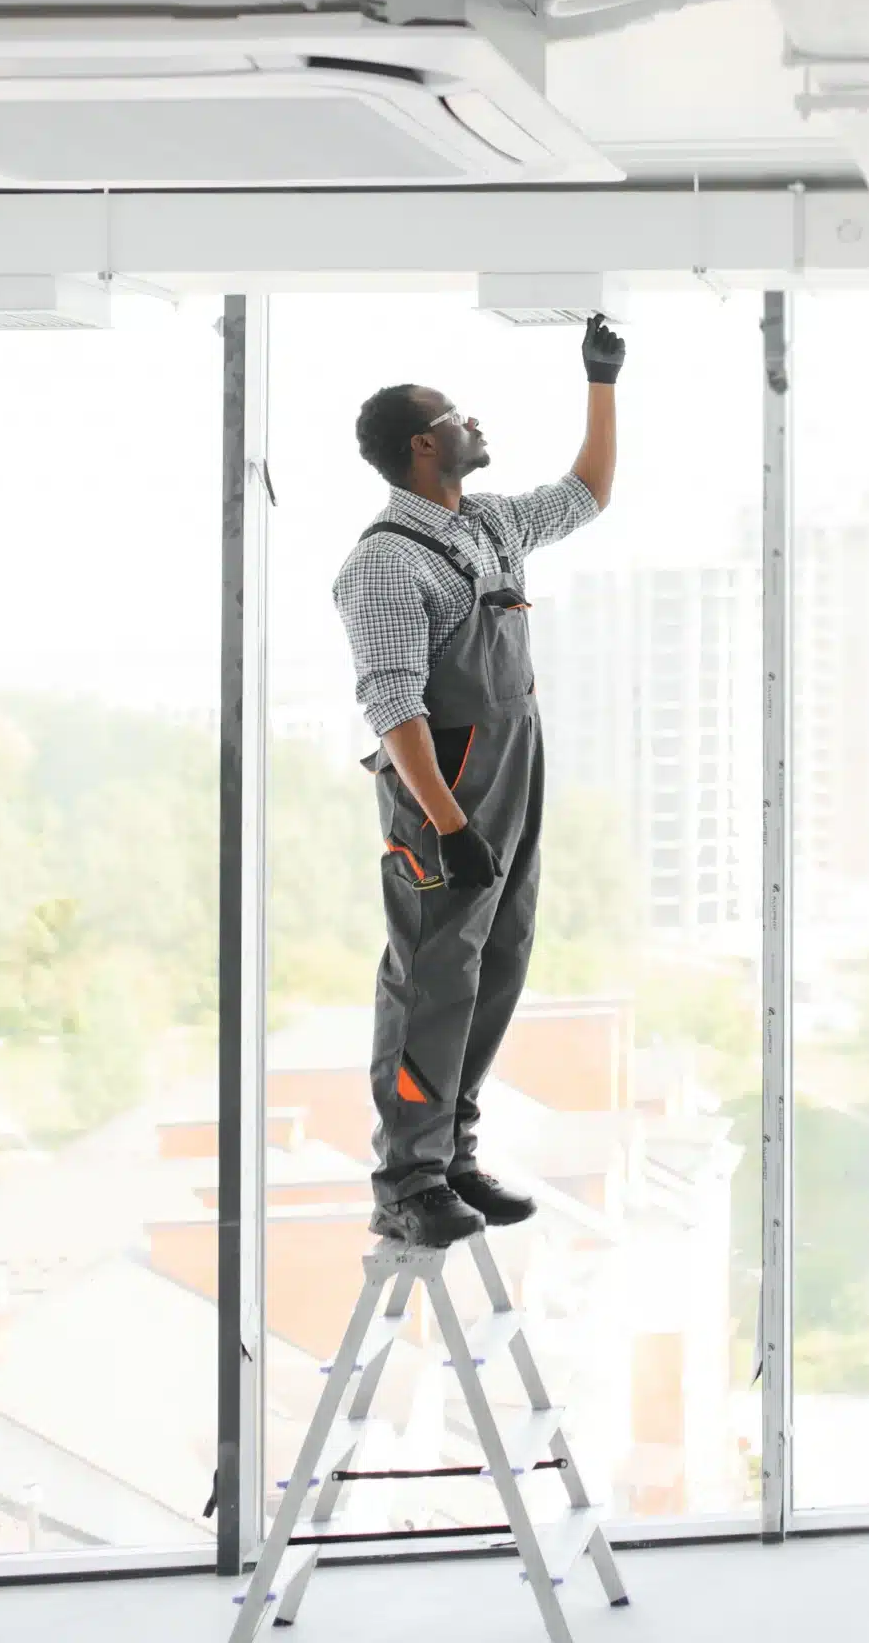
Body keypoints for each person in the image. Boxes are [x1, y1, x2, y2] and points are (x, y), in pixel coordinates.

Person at [332, 314, 625, 1247]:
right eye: (458, 415)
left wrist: (601, 382)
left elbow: (586, 493)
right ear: (425, 444)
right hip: (444, 788)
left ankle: (451, 1152)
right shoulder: (384, 562)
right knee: (431, 976)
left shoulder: (489, 524)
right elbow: (394, 704)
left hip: (515, 767)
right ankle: (405, 1181)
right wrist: (447, 822)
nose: (475, 424)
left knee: (498, 960)